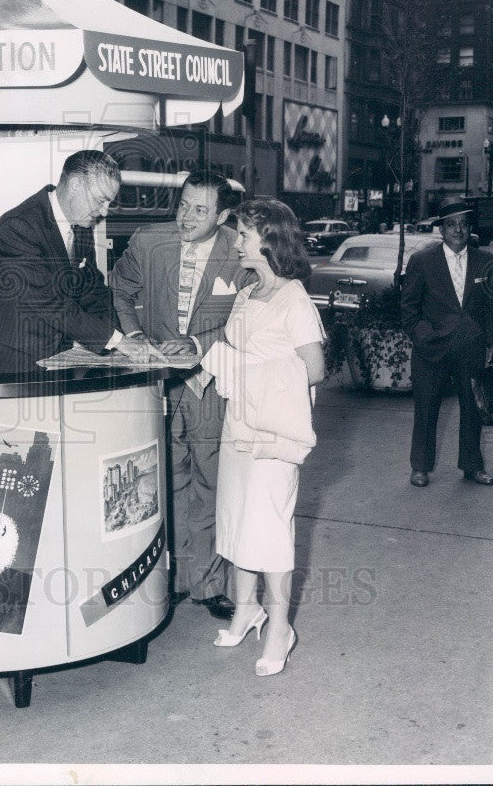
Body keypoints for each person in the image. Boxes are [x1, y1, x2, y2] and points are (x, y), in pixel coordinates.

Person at [110, 171, 249, 620]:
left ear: (223, 215)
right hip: (159, 383)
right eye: (183, 205)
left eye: (200, 210)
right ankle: (165, 578)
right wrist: (134, 337)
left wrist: (200, 346)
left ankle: (207, 585)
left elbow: (249, 318)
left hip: (211, 381)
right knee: (163, 481)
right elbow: (120, 290)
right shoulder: (150, 242)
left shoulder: (241, 249)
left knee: (212, 481)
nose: (186, 217)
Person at [200, 199, 325, 676]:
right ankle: (244, 607)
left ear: (269, 239)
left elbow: (314, 370)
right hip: (239, 426)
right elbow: (234, 351)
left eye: (244, 234)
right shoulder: (247, 293)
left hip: (275, 433)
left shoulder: (294, 299)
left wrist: (252, 374)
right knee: (237, 518)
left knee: (271, 532)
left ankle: (279, 629)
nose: (236, 241)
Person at [0, 150, 163, 375]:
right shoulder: (19, 227)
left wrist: (121, 340)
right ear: (76, 185)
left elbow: (94, 292)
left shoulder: (81, 229)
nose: (104, 211)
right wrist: (116, 341)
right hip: (4, 365)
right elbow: (49, 304)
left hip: (52, 362)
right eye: (101, 200)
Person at [401, 196, 493, 488]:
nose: (457, 230)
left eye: (463, 224)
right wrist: (423, 337)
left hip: (471, 348)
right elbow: (409, 310)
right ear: (441, 229)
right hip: (431, 350)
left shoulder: (486, 261)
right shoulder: (422, 261)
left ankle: (472, 466)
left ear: (470, 228)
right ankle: (420, 467)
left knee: (473, 408)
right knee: (426, 408)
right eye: (451, 224)